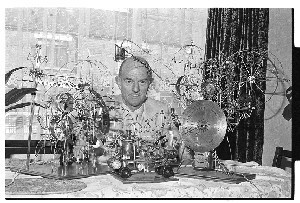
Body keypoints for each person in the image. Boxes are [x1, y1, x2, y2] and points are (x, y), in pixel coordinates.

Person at [94, 56, 183, 163]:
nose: (135, 89)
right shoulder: (102, 109)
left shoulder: (161, 110)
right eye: (129, 81)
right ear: (118, 81)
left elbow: (179, 152)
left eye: (142, 82)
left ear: (150, 83)